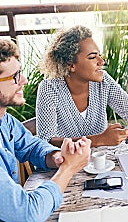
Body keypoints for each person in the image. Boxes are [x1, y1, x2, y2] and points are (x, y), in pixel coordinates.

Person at [0, 39, 91, 222]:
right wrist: (68, 168)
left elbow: (31, 146)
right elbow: (27, 213)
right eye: (15, 76)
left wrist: (56, 156)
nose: (24, 81)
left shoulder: (5, 121)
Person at [37, 25, 128, 147]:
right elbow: (46, 141)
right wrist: (99, 140)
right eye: (92, 57)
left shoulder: (103, 82)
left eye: (99, 55)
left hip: (104, 163)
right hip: (67, 164)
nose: (101, 62)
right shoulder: (49, 88)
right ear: (70, 65)